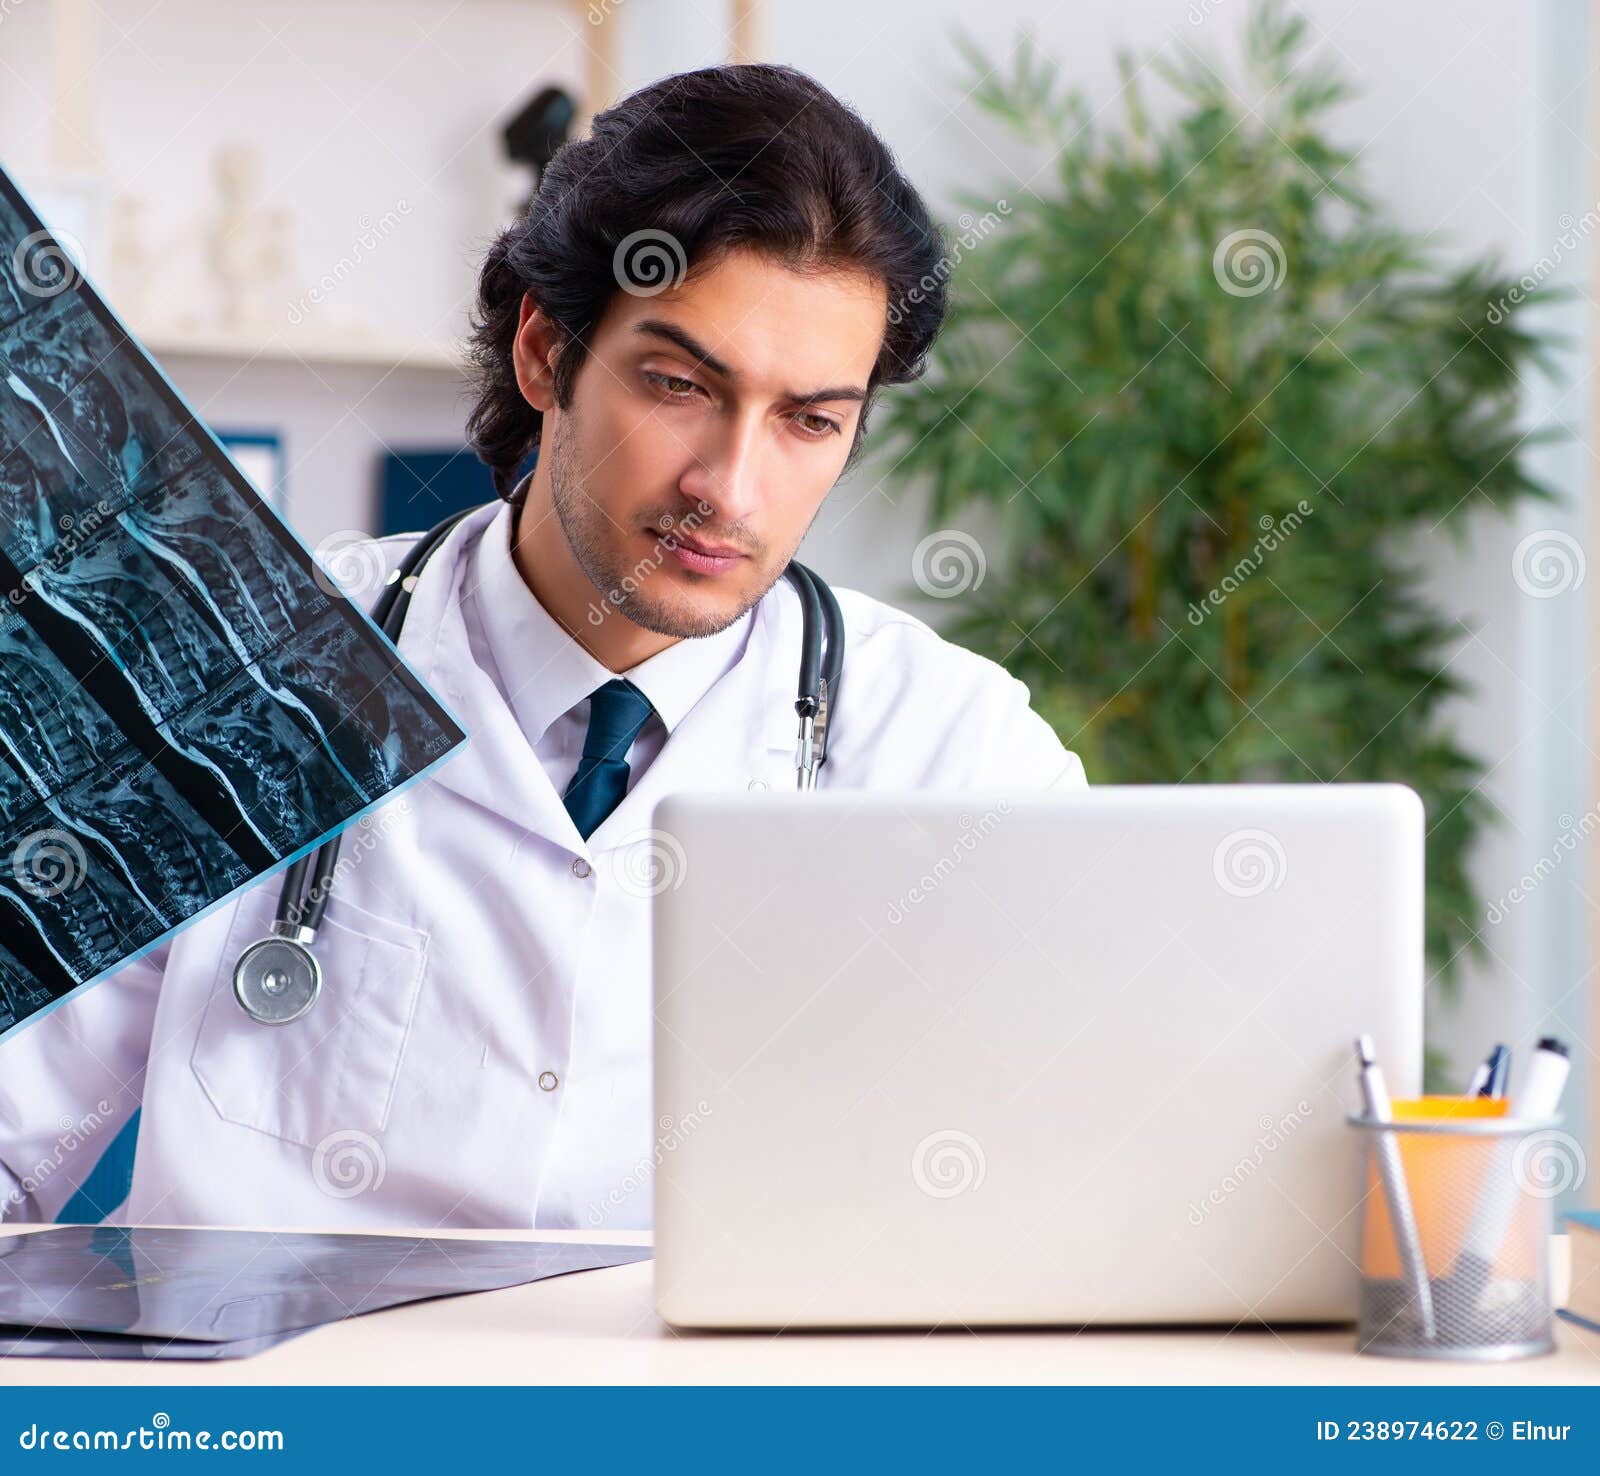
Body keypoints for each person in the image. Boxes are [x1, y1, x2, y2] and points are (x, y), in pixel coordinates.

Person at [0, 62, 1086, 1231]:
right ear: (542, 353)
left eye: (811, 421)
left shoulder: (959, 754)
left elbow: (1086, 1182)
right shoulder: (230, 668)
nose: (730, 485)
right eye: (677, 384)